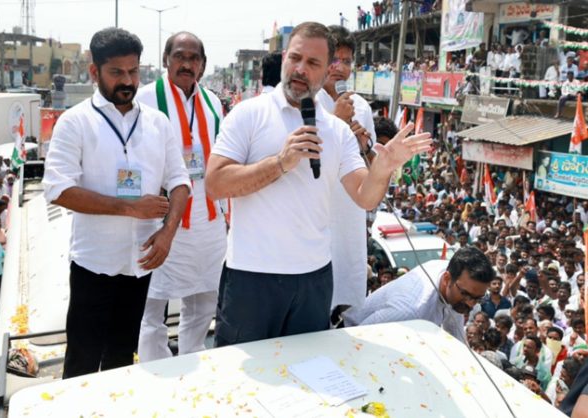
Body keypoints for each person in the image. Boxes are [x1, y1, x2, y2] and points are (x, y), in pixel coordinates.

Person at [205, 22, 432, 347]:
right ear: (284, 57)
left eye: (313, 63)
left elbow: (364, 196)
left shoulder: (337, 132)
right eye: (295, 58)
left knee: (304, 378)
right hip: (251, 277)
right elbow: (215, 184)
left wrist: (383, 167)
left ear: (327, 71)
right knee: (244, 382)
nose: (300, 69)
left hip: (313, 281)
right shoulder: (247, 115)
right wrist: (280, 163)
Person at [42, 28, 190, 378]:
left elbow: (180, 181)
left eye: (134, 71)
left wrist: (167, 233)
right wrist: (129, 207)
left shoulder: (158, 123)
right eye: (117, 72)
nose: (128, 81)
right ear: (94, 72)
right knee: (81, 359)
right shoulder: (75, 123)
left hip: (140, 265)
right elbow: (58, 190)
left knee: (122, 357)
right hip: (93, 265)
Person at [136, 32, 225, 362]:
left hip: (207, 212)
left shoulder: (213, 102)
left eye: (194, 58)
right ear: (166, 60)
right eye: (180, 56)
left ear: (202, 65)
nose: (187, 64)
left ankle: (192, 358)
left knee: (203, 297)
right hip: (161, 214)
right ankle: (156, 369)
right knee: (152, 305)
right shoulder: (144, 99)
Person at [315, 25, 377, 325]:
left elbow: (373, 166)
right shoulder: (306, 103)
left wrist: (365, 146)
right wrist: (335, 122)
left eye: (348, 61)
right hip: (316, 217)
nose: (341, 68)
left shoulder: (361, 107)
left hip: (349, 219)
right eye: (335, 59)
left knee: (346, 305)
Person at [344, 247, 495, 342]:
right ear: (447, 279)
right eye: (466, 295)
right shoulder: (411, 310)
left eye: (478, 298)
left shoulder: (456, 285)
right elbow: (357, 337)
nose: (471, 304)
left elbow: (454, 330)